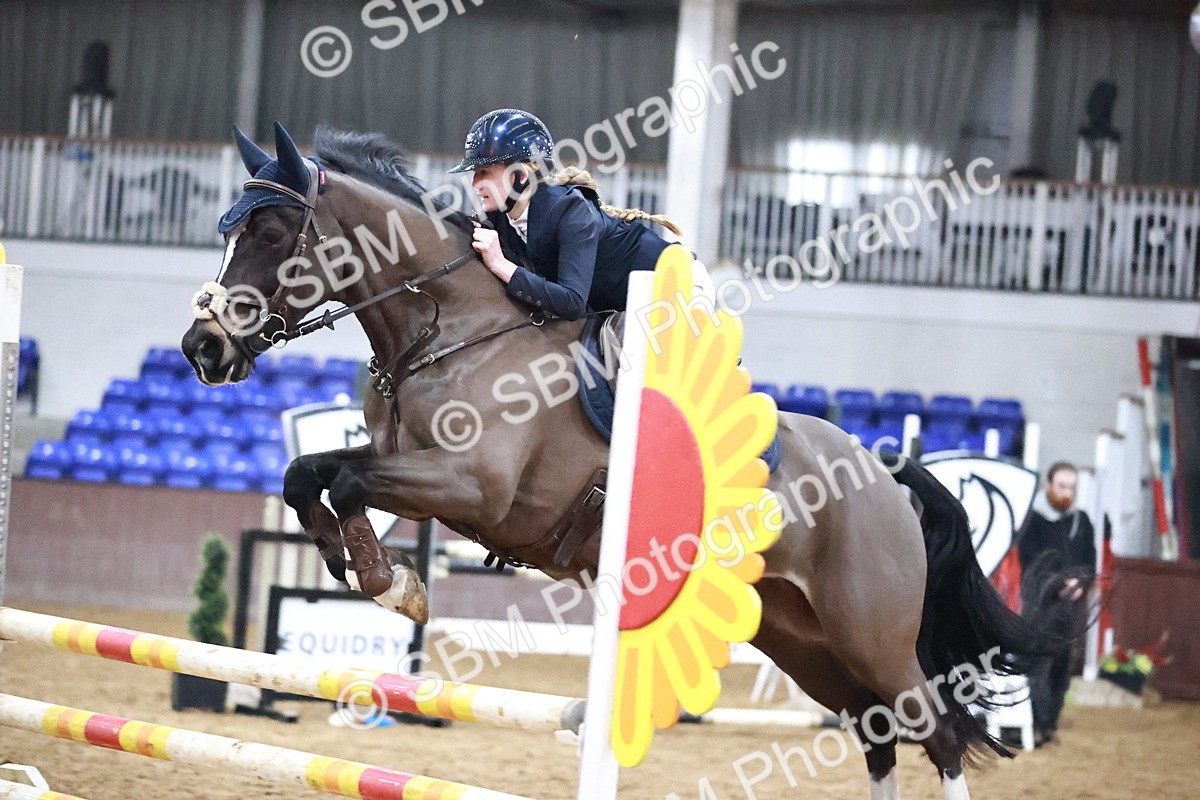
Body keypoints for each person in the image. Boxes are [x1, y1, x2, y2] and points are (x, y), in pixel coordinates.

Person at [449, 108, 713, 320]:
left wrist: (500, 264)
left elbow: (572, 302)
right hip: (619, 304)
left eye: (484, 172)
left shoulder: (570, 210)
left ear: (520, 175)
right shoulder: (498, 219)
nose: (474, 183)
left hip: (676, 287)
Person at [1016, 461, 1097, 747]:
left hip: (1071, 608)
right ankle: (1035, 723)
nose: (1067, 493)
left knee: (1064, 663)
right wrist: (1059, 583)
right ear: (1049, 486)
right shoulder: (1034, 519)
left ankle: (1049, 724)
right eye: (1062, 486)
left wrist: (1080, 583)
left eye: (1071, 488)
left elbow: (1090, 562)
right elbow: (1031, 563)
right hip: (1041, 605)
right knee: (1038, 662)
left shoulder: (1082, 521)